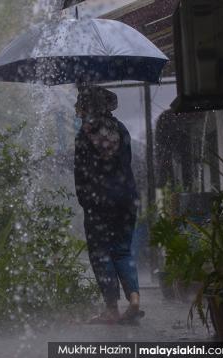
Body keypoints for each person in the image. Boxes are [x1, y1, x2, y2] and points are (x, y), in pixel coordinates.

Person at [73, 85, 144, 325]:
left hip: (98, 202)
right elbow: (126, 164)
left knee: (101, 253)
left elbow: (81, 174)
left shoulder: (84, 134)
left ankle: (112, 309)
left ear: (87, 107)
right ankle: (134, 299)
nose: (76, 110)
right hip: (126, 198)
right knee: (122, 249)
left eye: (79, 105)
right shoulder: (121, 129)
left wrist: (86, 200)